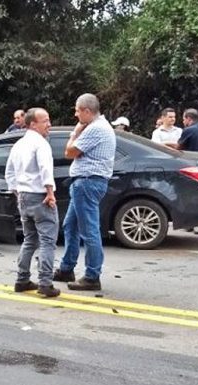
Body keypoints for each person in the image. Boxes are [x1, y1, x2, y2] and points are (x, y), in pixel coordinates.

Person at [53, 93, 116, 291]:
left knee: (89, 230)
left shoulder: (95, 128)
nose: (76, 115)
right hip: (86, 182)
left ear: (87, 111)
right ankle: (67, 268)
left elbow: (69, 152)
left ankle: (92, 276)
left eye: (77, 110)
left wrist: (75, 133)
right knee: (70, 225)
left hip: (87, 182)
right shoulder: (100, 126)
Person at [5, 107, 60, 298]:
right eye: (45, 121)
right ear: (33, 124)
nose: (49, 125)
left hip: (24, 196)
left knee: (29, 240)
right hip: (39, 196)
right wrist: (50, 192)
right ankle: (45, 283)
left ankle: (22, 279)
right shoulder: (41, 144)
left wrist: (17, 192)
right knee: (47, 241)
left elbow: (9, 173)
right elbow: (46, 170)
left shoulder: (18, 144)